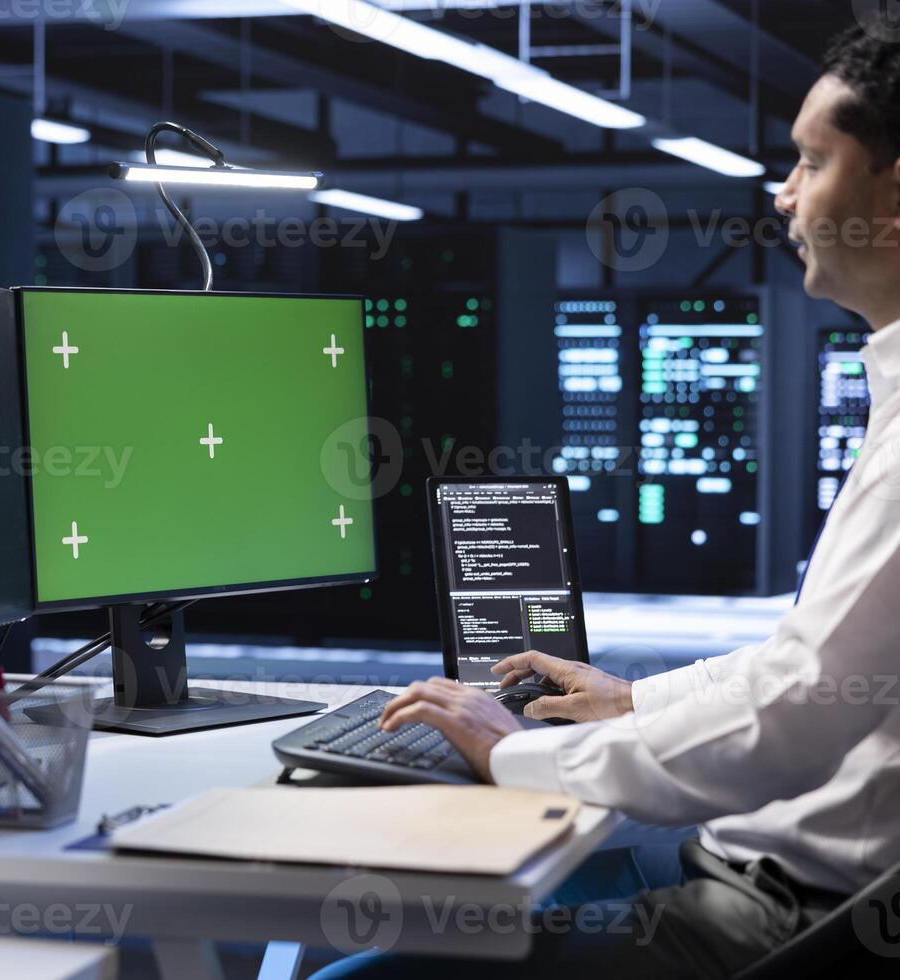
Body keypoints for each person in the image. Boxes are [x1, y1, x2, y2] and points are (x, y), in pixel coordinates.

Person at [315, 20, 900, 978]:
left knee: (375, 966)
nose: (784, 191)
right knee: (493, 888)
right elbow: (816, 662)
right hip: (753, 865)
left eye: (810, 160)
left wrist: (512, 755)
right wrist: (635, 699)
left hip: (779, 919)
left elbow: (796, 717)